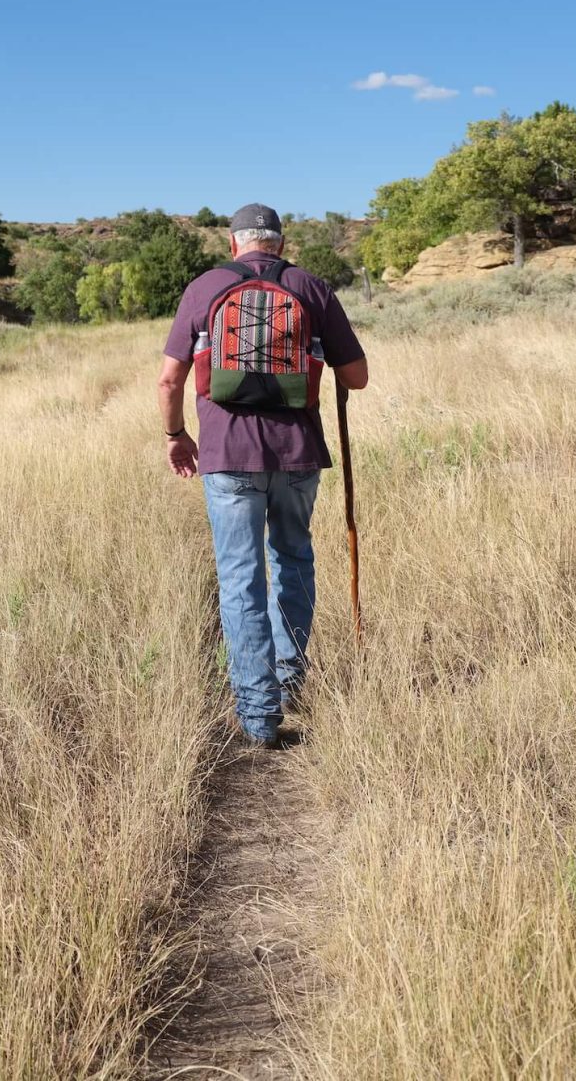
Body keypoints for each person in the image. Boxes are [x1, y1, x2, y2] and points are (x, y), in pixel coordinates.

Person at [157, 202, 369, 749]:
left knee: (240, 578)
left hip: (227, 457)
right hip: (298, 455)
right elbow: (358, 377)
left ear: (234, 244)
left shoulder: (203, 290)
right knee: (294, 560)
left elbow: (168, 380)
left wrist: (177, 436)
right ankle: (289, 680)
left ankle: (258, 715)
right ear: (279, 241)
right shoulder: (311, 287)